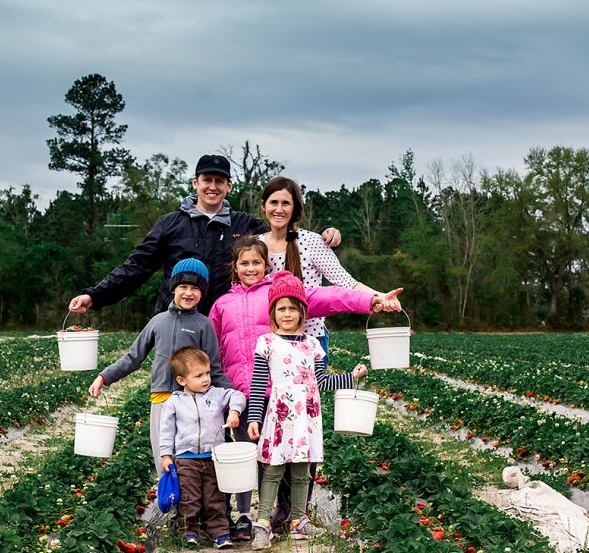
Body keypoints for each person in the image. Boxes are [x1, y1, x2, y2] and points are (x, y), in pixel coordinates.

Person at [209, 236, 403, 539]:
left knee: (284, 462)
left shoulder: (278, 296)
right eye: (244, 263)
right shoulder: (222, 304)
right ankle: (246, 516)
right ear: (234, 267)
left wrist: (372, 300)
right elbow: (212, 349)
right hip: (239, 396)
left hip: (280, 398)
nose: (250, 268)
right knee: (247, 459)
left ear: (266, 264)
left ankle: (286, 515)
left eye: (256, 262)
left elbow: (331, 297)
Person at [68, 154, 342, 318]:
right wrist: (95, 296)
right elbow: (136, 267)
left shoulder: (244, 225)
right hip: (176, 320)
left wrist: (322, 234)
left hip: (223, 324)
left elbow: (281, 230)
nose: (212, 187)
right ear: (195, 183)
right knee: (174, 399)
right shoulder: (170, 224)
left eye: (219, 181)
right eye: (207, 180)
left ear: (228, 186)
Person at [247, 272, 368, 548]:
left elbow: (322, 381)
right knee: (273, 469)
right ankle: (263, 523)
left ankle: (299, 521)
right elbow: (257, 386)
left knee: (303, 472)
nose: (287, 314)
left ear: (303, 312)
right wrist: (254, 417)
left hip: (306, 417)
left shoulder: (312, 345)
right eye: (281, 309)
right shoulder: (267, 343)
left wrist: (352, 376)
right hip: (279, 416)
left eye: (293, 308)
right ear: (273, 313)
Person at [88, 258, 231, 475]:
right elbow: (133, 357)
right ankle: (168, 505)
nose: (188, 293)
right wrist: (104, 377)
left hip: (192, 404)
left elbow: (215, 370)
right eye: (183, 286)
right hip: (161, 400)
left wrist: (234, 399)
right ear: (173, 288)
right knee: (163, 458)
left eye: (195, 288)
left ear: (202, 292)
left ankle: (190, 506)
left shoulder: (204, 325)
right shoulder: (158, 321)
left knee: (189, 463)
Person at [259, 176, 378, 367]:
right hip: (270, 343)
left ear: (295, 208)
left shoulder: (311, 242)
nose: (279, 209)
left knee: (310, 396)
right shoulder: (257, 245)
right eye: (274, 202)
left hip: (310, 339)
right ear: (264, 206)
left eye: (286, 203)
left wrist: (379, 297)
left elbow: (346, 282)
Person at [159, 346, 246, 549]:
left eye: (207, 373)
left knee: (215, 498)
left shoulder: (216, 394)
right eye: (198, 376)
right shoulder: (174, 402)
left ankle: (220, 532)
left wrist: (234, 412)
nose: (206, 379)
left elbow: (238, 396)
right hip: (186, 458)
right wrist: (166, 455)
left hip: (214, 457)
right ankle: (188, 531)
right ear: (182, 380)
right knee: (189, 498)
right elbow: (166, 430)